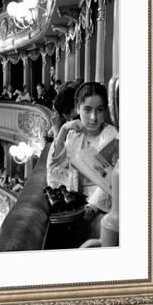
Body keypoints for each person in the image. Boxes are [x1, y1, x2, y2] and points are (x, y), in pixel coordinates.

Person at [46, 82, 119, 218]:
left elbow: (112, 181)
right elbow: (54, 171)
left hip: (101, 212)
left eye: (99, 110)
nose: (93, 117)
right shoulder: (74, 135)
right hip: (76, 206)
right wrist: (63, 130)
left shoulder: (111, 136)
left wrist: (92, 208)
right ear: (78, 109)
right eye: (87, 109)